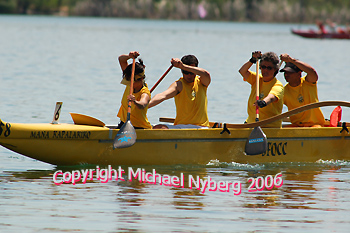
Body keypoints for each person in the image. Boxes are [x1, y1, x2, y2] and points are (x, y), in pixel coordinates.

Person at [149, 55, 211, 129]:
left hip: (201, 127)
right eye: (185, 72)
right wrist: (144, 106)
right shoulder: (179, 85)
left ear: (195, 70)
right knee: (158, 127)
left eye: (191, 72)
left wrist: (183, 66)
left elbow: (206, 74)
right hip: (181, 127)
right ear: (181, 71)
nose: (189, 75)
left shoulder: (202, 82)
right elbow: (162, 96)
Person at [239, 51, 284, 128]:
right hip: (252, 124)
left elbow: (271, 97)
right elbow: (242, 71)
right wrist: (252, 60)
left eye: (269, 68)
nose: (265, 70)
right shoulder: (256, 79)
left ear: (275, 69)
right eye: (263, 67)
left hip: (270, 127)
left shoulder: (278, 85)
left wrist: (263, 102)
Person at [280, 54, 325, 127]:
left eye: (290, 72)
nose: (286, 75)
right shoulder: (284, 91)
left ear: (299, 74)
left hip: (315, 125)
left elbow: (311, 72)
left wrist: (291, 60)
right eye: (285, 72)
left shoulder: (308, 83)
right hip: (297, 126)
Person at [116, 51, 152, 129]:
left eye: (132, 80)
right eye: (128, 79)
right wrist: (129, 56)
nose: (129, 82)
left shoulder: (145, 92)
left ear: (141, 79)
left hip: (139, 128)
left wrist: (134, 101)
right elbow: (121, 59)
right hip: (124, 124)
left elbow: (142, 105)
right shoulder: (130, 81)